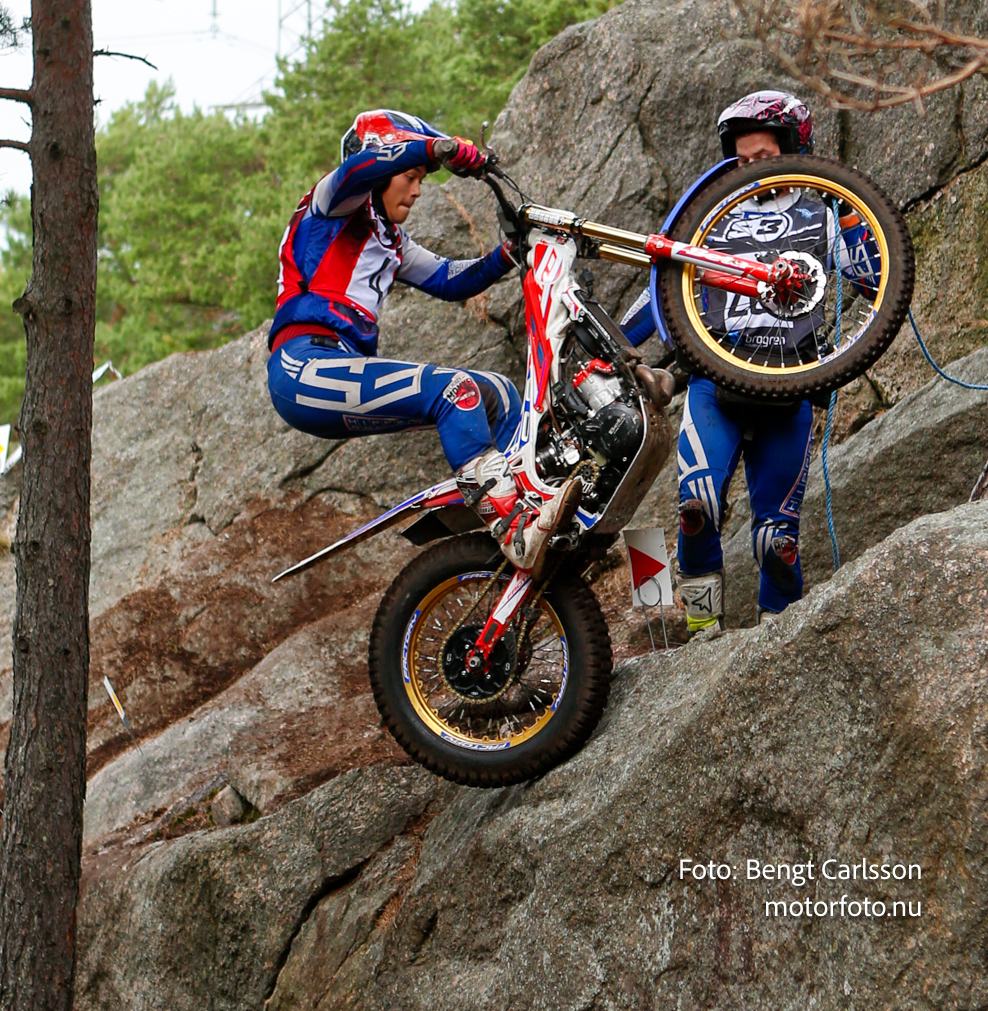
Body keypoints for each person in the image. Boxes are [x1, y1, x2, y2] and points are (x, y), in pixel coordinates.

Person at [267, 109, 581, 577]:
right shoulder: (329, 204)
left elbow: (451, 280)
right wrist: (436, 148)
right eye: (410, 178)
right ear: (384, 168)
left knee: (497, 392)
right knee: (456, 391)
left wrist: (509, 253)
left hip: (339, 368)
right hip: (301, 368)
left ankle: (540, 511)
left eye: (420, 180)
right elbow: (359, 169)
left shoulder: (391, 241)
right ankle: (512, 526)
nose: (416, 191)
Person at [621, 90, 874, 632]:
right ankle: (701, 633)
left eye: (764, 158)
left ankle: (774, 643)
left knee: (777, 540)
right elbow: (660, 293)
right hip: (716, 380)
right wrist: (618, 345)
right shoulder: (713, 216)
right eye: (742, 161)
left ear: (794, 150)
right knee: (696, 508)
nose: (752, 169)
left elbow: (877, 280)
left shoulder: (822, 213)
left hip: (790, 384)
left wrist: (853, 212)